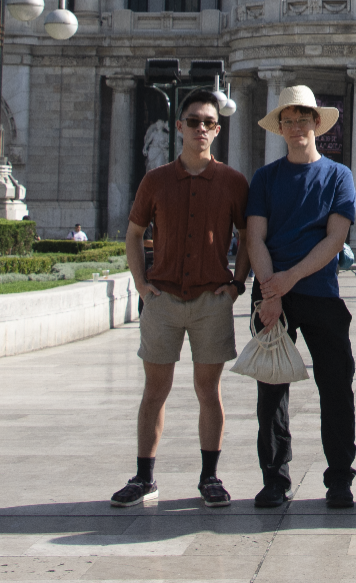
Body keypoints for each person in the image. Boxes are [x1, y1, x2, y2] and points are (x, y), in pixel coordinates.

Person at [110, 91, 248, 510]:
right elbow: (134, 233)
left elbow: (248, 236)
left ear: (218, 129)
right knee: (155, 390)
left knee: (209, 390)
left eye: (208, 122)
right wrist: (140, 283)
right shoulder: (156, 180)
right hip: (164, 297)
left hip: (210, 298)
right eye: (193, 121)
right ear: (180, 127)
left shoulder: (232, 182)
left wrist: (237, 283)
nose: (200, 129)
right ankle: (145, 476)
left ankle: (209, 476)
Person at [247, 84, 356, 508]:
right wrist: (269, 289)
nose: (296, 127)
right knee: (271, 390)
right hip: (272, 292)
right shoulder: (265, 178)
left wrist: (286, 280)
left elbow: (335, 240)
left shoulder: (338, 175)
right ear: (280, 127)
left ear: (317, 123)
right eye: (288, 121)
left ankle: (340, 479)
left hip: (317, 291)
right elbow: (254, 237)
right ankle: (275, 478)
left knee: (336, 388)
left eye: (303, 119)